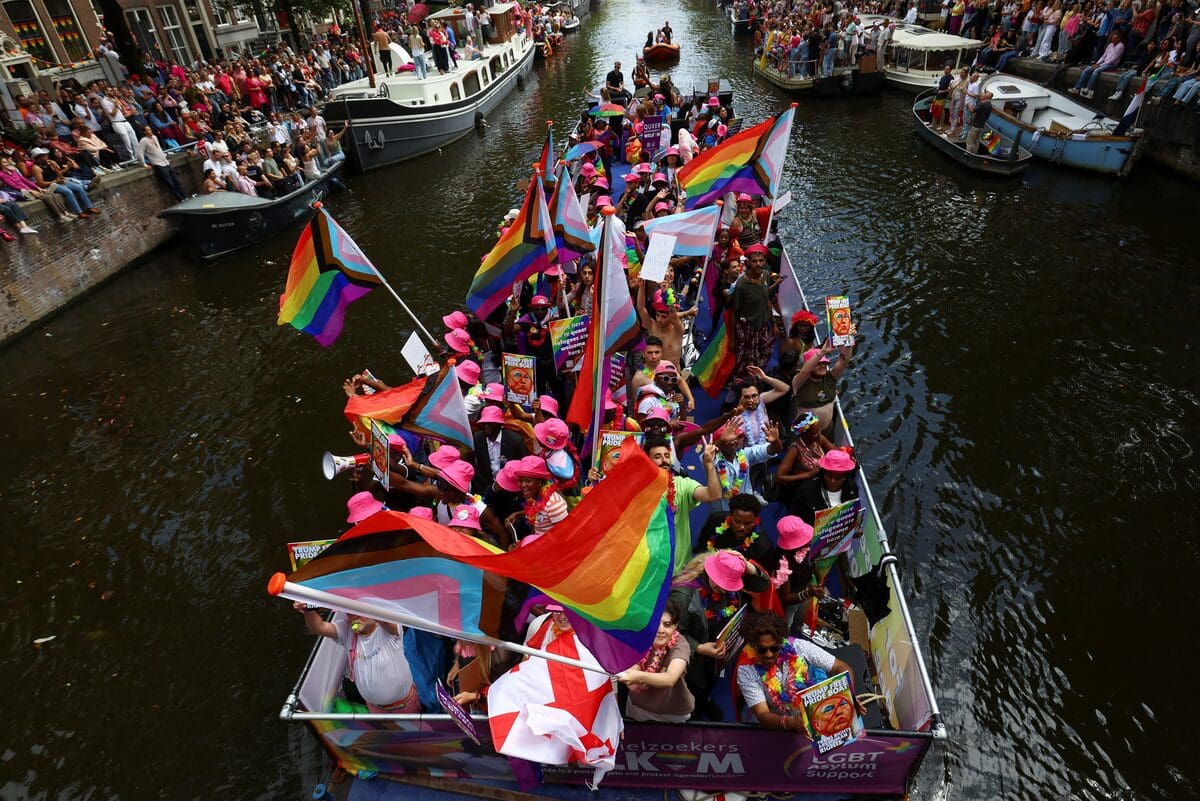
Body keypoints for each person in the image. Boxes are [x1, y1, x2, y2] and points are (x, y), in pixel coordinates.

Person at [735, 612, 860, 730]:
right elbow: (763, 714)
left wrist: (848, 697)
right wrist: (791, 722)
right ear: (753, 646)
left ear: (781, 642)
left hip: (813, 715)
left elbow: (841, 667)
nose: (769, 655)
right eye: (762, 650)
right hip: (777, 726)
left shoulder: (799, 647)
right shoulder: (746, 669)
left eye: (774, 648)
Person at [293, 604, 419, 713]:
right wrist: (307, 608)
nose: (354, 617)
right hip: (375, 708)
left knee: (414, 736)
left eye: (358, 612)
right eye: (350, 613)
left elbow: (383, 618)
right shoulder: (347, 630)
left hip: (404, 706)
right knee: (390, 737)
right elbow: (318, 628)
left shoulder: (388, 629)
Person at [643, 435, 722, 574]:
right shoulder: (638, 489)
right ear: (647, 461)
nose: (664, 460)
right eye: (657, 457)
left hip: (679, 572)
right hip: (648, 572)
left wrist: (709, 464)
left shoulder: (682, 484)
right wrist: (592, 482)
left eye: (667, 455)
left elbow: (713, 494)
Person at [617, 599, 694, 722]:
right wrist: (633, 681)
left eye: (667, 624)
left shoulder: (681, 644)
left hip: (673, 713)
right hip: (638, 708)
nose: (660, 630)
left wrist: (638, 676)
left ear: (675, 626)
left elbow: (670, 678)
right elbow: (633, 681)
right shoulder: (639, 637)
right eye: (655, 623)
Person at [790, 344, 854, 435]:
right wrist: (822, 352)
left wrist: (849, 341)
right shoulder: (798, 383)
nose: (823, 366)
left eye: (824, 363)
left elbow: (843, 361)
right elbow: (804, 371)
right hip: (805, 433)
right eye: (818, 364)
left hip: (826, 430)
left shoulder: (830, 378)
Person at [792, 449, 860, 524]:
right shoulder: (806, 490)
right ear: (824, 473)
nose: (832, 481)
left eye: (838, 478)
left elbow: (854, 513)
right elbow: (795, 517)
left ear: (844, 477)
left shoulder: (851, 486)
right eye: (829, 476)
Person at [135, 126, 187, 201]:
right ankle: (180, 198)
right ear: (144, 132)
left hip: (165, 162)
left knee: (176, 180)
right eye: (148, 130)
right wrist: (144, 164)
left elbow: (159, 149)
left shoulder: (154, 137)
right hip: (158, 164)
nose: (150, 130)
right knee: (170, 183)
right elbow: (140, 153)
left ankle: (184, 196)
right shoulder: (144, 141)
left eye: (150, 129)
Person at [1071, 32, 1126, 97]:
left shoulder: (1120, 46)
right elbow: (1104, 56)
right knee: (1086, 70)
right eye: (1112, 39)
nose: (1112, 40)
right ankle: (1077, 88)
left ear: (1119, 39)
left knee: (1096, 70)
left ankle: (1089, 89)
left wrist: (1100, 65)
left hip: (1112, 64)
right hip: (1104, 63)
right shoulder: (1110, 45)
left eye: (1114, 39)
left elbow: (1113, 59)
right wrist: (1097, 63)